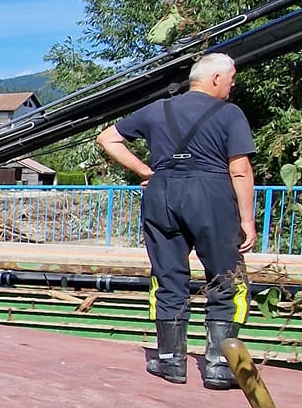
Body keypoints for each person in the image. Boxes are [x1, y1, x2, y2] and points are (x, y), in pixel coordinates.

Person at [95, 52, 256, 389]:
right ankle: (218, 366)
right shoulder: (230, 114)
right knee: (227, 277)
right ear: (214, 79)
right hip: (211, 194)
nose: (232, 85)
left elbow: (107, 138)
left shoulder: (158, 109)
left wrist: (146, 171)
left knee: (168, 276)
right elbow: (239, 169)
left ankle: (171, 362)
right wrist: (247, 220)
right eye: (230, 78)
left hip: (162, 194)